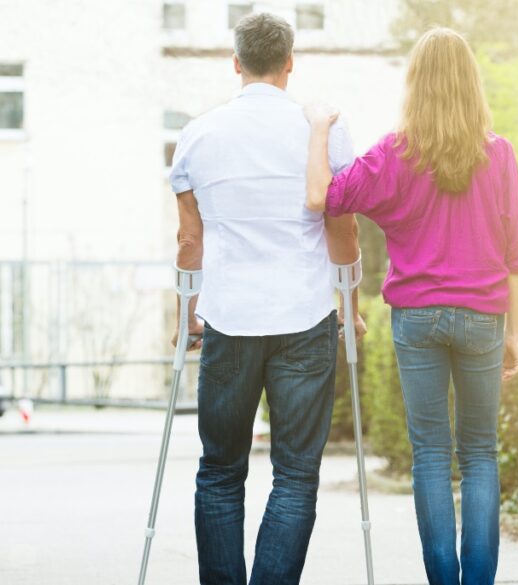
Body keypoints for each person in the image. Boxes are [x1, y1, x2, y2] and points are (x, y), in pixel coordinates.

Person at [305, 27, 518, 585]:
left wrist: (319, 130)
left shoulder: (394, 154)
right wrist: (514, 331)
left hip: (418, 317)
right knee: (479, 453)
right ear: (470, 85)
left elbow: (327, 197)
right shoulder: (498, 155)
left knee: (430, 453)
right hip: (483, 316)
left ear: (415, 86)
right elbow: (516, 254)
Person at [168, 12, 363, 585]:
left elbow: (189, 240)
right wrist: (350, 308)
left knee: (220, 471)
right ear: (290, 62)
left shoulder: (198, 134)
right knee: (296, 476)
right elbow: (344, 230)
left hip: (228, 317)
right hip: (305, 316)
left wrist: (186, 317)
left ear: (236, 63)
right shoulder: (325, 132)